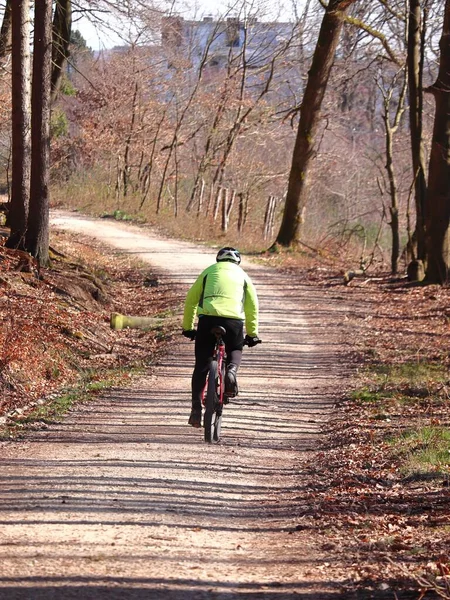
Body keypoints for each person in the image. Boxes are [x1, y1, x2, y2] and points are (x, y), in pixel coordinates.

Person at [182, 247, 261, 428]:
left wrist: (187, 328)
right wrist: (252, 334)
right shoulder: (243, 275)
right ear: (237, 261)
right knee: (235, 348)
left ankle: (195, 409)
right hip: (233, 322)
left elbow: (191, 300)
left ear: (218, 260)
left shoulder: (208, 272)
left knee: (201, 364)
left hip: (208, 320)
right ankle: (231, 370)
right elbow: (252, 306)